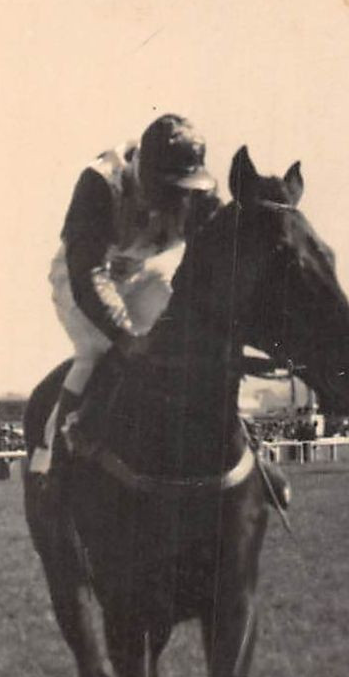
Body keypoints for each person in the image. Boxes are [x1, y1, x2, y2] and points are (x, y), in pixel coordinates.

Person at [34, 113, 221, 470]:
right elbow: (87, 272)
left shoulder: (200, 193)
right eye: (170, 188)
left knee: (194, 338)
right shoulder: (100, 183)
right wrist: (123, 334)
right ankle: (50, 458)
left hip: (140, 271)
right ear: (145, 175)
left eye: (185, 188)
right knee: (100, 350)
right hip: (83, 274)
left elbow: (220, 253)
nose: (179, 199)